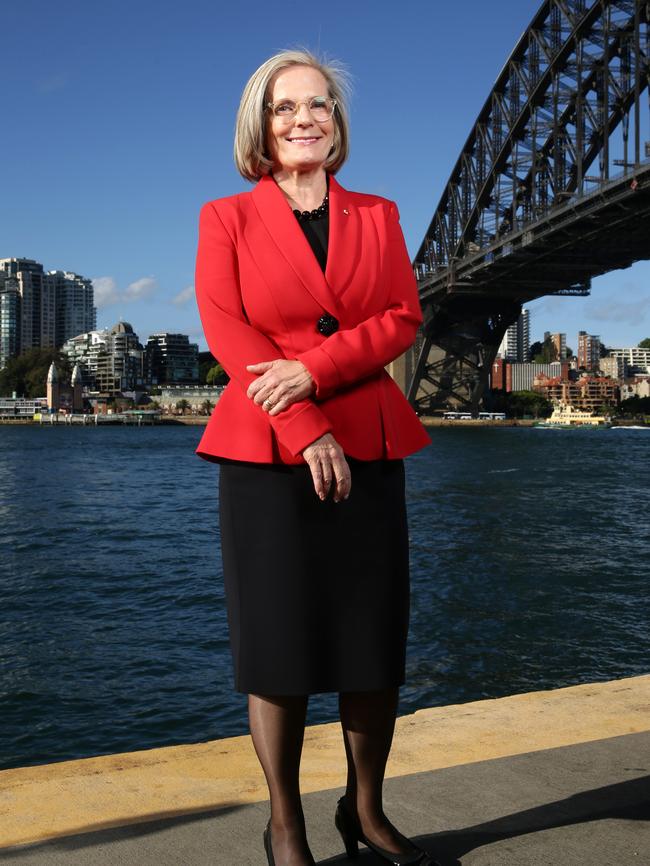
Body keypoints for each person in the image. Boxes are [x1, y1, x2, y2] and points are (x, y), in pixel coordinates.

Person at [194, 49, 438, 866]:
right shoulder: (225, 217)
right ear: (259, 126)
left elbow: (402, 317)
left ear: (338, 124)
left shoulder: (380, 213)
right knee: (280, 643)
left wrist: (315, 368)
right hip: (267, 448)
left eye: (321, 105)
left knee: (373, 639)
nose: (305, 119)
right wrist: (307, 423)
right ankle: (286, 826)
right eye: (285, 106)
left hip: (369, 435)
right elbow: (230, 334)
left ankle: (365, 813)